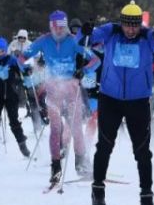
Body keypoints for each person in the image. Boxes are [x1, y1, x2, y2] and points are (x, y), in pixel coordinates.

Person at [85, 2, 154, 205]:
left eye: (135, 26)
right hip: (110, 98)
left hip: (138, 100)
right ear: (123, 23)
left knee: (142, 151)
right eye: (128, 25)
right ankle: (98, 191)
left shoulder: (147, 36)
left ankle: (147, 198)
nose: (131, 30)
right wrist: (88, 30)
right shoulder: (112, 31)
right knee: (105, 146)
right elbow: (90, 36)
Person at [21, 11, 101, 181]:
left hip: (72, 88)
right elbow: (21, 57)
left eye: (62, 27)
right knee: (56, 129)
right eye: (55, 27)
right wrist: (25, 68)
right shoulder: (43, 40)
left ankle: (81, 164)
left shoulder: (73, 40)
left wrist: (83, 70)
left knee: (76, 127)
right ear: (50, 26)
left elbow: (96, 60)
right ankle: (55, 166)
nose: (59, 31)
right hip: (53, 88)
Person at [0, 37, 31, 157]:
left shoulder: (12, 60)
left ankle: (22, 145)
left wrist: (26, 70)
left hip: (11, 96)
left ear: (6, 50)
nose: (0, 53)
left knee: (14, 122)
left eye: (2, 51)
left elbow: (22, 68)